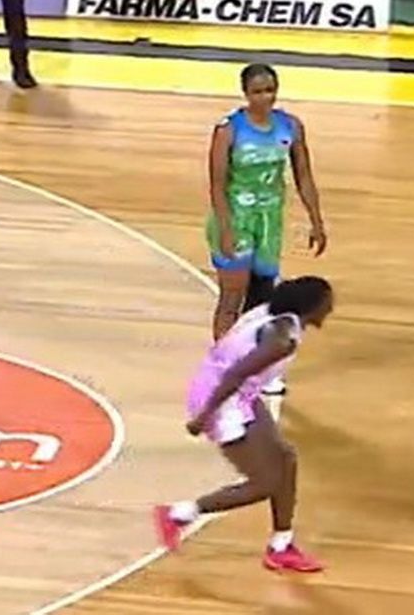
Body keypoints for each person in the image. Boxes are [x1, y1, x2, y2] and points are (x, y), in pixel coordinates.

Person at [154, 275, 334, 574]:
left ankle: (281, 545)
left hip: (237, 393)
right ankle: (178, 514)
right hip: (221, 395)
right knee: (264, 482)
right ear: (311, 306)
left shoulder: (274, 315)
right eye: (327, 303)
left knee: (285, 459)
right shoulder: (281, 340)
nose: (330, 308)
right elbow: (236, 374)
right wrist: (204, 416)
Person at [207, 64, 327, 359]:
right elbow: (217, 184)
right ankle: (222, 360)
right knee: (232, 295)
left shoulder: (290, 126)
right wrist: (225, 230)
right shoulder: (228, 130)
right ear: (246, 93)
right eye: (258, 91)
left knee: (262, 298)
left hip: (269, 220)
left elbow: (303, 175)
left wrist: (316, 220)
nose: (265, 97)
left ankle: (252, 359)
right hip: (236, 217)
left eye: (270, 90)